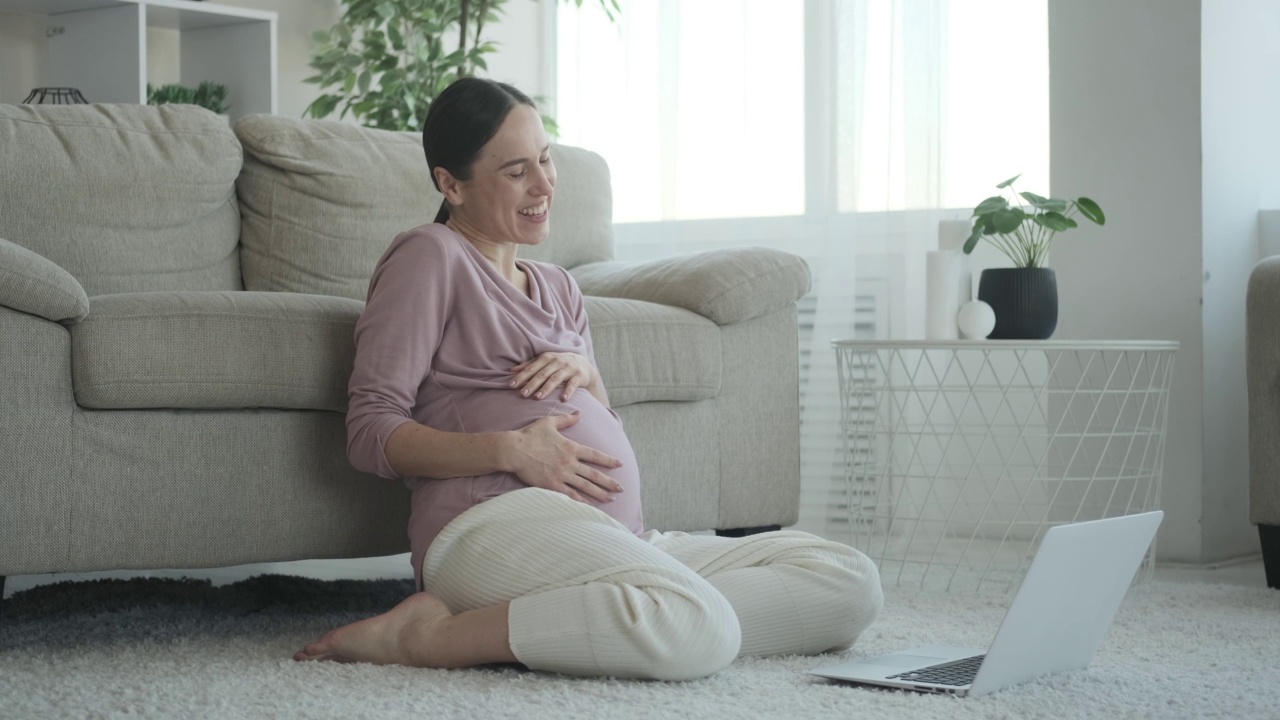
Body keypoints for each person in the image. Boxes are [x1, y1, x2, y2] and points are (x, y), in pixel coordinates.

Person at [293, 77, 883, 681]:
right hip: (491, 527)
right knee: (698, 627)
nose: (545, 185)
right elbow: (369, 432)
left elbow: (597, 428)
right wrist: (509, 451)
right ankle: (429, 635)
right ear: (451, 185)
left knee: (850, 583)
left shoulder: (560, 286)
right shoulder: (430, 255)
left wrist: (591, 380)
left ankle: (642, 613)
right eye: (516, 171)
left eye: (546, 160)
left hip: (617, 537)